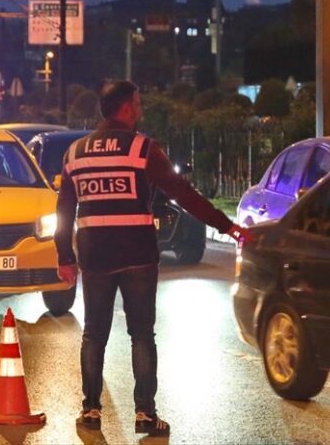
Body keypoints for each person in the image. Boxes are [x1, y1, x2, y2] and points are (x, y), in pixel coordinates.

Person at [54, 80, 250, 437]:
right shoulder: (143, 149)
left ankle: (91, 410)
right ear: (127, 107)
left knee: (94, 334)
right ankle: (145, 413)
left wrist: (64, 256)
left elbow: (64, 210)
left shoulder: (75, 153)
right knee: (141, 334)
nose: (140, 109)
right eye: (138, 103)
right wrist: (227, 227)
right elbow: (185, 194)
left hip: (95, 255)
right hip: (138, 255)